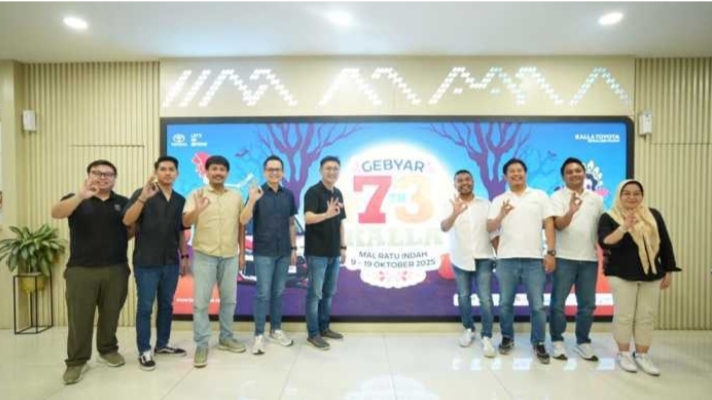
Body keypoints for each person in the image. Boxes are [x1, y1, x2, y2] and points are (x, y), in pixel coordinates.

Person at [51, 160, 131, 384]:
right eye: (97, 173)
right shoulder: (76, 199)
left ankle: (107, 350)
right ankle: (76, 362)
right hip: (81, 269)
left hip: (116, 268)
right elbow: (56, 213)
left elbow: (130, 229)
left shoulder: (123, 202)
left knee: (111, 313)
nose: (103, 177)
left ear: (114, 178)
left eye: (108, 174)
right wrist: (80, 196)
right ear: (89, 175)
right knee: (80, 318)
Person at [598, 179, 680, 376]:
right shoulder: (609, 216)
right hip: (621, 273)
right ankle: (624, 354)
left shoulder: (653, 215)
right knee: (624, 315)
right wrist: (624, 226)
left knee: (647, 316)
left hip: (651, 273)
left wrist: (668, 271)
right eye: (627, 193)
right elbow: (605, 242)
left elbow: (665, 244)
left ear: (642, 196)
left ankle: (642, 355)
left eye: (636, 193)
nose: (632, 197)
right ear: (619, 195)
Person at [122, 156, 190, 370]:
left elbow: (181, 231)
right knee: (145, 306)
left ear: (177, 173)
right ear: (156, 171)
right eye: (163, 169)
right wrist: (142, 198)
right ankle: (144, 350)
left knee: (167, 305)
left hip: (171, 261)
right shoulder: (143, 193)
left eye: (171, 169)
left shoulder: (179, 199)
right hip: (146, 261)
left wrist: (184, 256)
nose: (167, 172)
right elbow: (127, 220)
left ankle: (162, 344)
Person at [486, 158, 556, 364]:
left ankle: (538, 342)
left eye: (519, 171)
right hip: (506, 261)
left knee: (538, 306)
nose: (516, 174)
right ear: (505, 176)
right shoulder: (499, 199)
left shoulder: (540, 196)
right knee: (505, 303)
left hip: (534, 260)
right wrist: (500, 215)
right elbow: (490, 228)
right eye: (511, 171)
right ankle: (507, 337)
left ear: (525, 173)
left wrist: (551, 252)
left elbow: (549, 224)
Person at [182, 155, 246, 368]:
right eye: (214, 169)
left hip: (230, 255)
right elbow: (185, 221)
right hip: (204, 255)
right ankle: (202, 344)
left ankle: (226, 338)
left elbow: (242, 225)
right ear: (207, 172)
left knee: (229, 300)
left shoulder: (236, 196)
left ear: (227, 173)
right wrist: (197, 210)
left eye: (222, 169)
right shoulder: (196, 194)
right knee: (201, 303)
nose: (218, 173)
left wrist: (241, 253)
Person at [239, 155, 298, 355]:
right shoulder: (257, 193)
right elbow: (243, 220)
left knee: (278, 292)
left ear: (282, 172)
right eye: (270, 169)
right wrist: (251, 200)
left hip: (284, 252)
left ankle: (275, 330)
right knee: (263, 293)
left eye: (277, 169)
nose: (274, 173)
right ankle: (258, 335)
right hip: (263, 252)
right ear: (265, 172)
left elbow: (291, 223)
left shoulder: (288, 195)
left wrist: (293, 248)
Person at [549, 157, 604, 361]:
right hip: (564, 258)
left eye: (578, 170)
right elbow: (558, 225)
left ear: (584, 173)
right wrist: (571, 212)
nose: (574, 174)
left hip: (589, 259)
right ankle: (557, 340)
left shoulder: (596, 199)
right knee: (557, 303)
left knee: (587, 305)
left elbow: (601, 229)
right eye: (569, 172)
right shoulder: (557, 197)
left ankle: (583, 342)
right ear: (563, 176)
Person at [440, 169, 498, 358]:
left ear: (473, 182)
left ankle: (487, 336)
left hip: (484, 257)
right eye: (460, 180)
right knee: (464, 296)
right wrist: (455, 213)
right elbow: (444, 227)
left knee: (485, 299)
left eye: (467, 179)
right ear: (454, 184)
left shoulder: (485, 204)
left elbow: (492, 230)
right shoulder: (449, 204)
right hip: (460, 257)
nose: (464, 183)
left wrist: (499, 254)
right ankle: (468, 329)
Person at [303, 156, 346, 350]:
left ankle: (324, 327)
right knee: (315, 294)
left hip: (334, 253)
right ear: (320, 170)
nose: (332, 172)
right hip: (317, 253)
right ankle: (313, 334)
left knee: (328, 293)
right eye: (328, 168)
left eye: (335, 168)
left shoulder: (338, 193)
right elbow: (308, 218)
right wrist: (326, 215)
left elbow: (340, 222)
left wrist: (343, 247)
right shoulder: (313, 192)